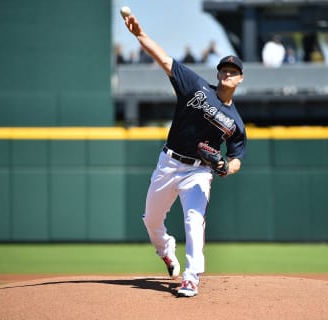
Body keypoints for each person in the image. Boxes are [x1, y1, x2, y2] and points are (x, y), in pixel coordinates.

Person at [123, 12, 247, 297]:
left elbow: (238, 155)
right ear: (218, 74)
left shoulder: (235, 122)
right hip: (169, 162)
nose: (227, 73)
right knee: (151, 220)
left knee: (194, 219)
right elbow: (164, 60)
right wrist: (139, 35)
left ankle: (192, 277)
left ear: (240, 78)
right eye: (224, 69)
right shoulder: (196, 86)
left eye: (233, 71)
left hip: (199, 171)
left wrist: (227, 166)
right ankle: (166, 251)